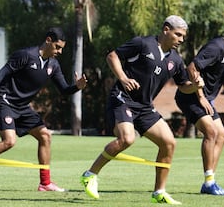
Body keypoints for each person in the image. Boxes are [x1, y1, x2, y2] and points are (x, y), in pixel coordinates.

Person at [80, 15, 204, 205]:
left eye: (183, 37)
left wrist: (195, 86)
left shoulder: (176, 60)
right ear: (166, 29)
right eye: (178, 35)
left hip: (145, 107)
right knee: (127, 139)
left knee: (169, 143)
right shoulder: (142, 43)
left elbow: (183, 86)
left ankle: (159, 192)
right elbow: (112, 56)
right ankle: (90, 174)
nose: (181, 40)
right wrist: (122, 78)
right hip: (123, 99)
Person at [0, 27, 87, 193]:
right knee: (9, 141)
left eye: (62, 48)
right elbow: (1, 75)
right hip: (2, 101)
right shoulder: (26, 55)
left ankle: (45, 183)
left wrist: (77, 87)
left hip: (21, 107)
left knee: (45, 136)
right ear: (48, 40)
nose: (60, 51)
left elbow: (64, 90)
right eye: (57, 46)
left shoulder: (53, 65)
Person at [175, 17, 224, 196]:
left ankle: (210, 181)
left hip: (205, 99)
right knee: (211, 132)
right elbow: (192, 68)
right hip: (191, 97)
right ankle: (209, 183)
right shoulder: (216, 47)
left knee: (222, 136)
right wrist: (200, 96)